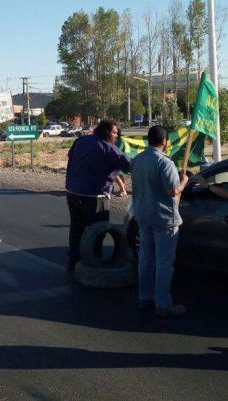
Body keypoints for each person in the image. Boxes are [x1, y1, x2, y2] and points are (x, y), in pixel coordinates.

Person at [131, 125, 189, 317]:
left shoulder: (138, 160)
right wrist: (184, 182)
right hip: (163, 218)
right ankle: (163, 304)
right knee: (164, 263)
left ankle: (144, 297)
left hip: (142, 214)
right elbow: (172, 191)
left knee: (145, 259)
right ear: (164, 141)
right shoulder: (165, 162)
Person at [64, 119, 131, 273]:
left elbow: (70, 156)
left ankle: (73, 261)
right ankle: (94, 262)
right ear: (107, 132)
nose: (116, 136)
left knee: (76, 228)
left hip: (72, 191)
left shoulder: (80, 141)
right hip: (96, 195)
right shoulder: (108, 147)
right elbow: (128, 165)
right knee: (97, 230)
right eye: (115, 133)